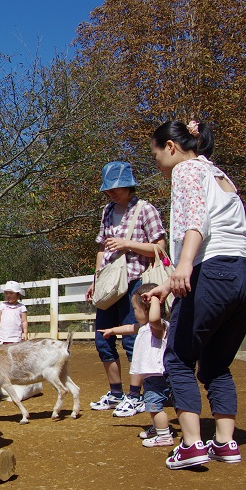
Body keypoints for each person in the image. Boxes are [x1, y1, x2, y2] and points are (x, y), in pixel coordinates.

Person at [147, 119, 246, 469]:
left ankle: (192, 444)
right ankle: (225, 443)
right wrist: (170, 282)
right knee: (216, 363)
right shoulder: (218, 173)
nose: (158, 164)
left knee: (178, 359)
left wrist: (183, 266)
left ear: (171, 147)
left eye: (156, 155)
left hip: (212, 271)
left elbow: (196, 222)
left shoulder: (186, 170)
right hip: (242, 273)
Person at [86, 161, 167, 418]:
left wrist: (127, 244)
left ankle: (137, 395)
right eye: (107, 190)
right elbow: (101, 248)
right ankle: (115, 392)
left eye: (115, 189)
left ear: (128, 186)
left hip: (136, 283)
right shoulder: (107, 211)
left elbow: (160, 249)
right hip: (110, 285)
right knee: (103, 338)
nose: (110, 193)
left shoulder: (146, 210)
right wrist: (95, 279)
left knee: (134, 339)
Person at [98, 284, 173, 442]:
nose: (134, 312)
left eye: (135, 309)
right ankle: (157, 428)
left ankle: (164, 435)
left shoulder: (157, 327)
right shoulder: (144, 327)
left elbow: (153, 319)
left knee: (154, 406)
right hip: (150, 377)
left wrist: (153, 299)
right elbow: (129, 328)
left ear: (147, 309)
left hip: (157, 376)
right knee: (152, 405)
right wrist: (112, 331)